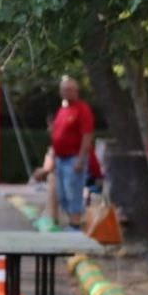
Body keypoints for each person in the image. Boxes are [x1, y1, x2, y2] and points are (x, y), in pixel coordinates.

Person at [50, 75, 96, 230]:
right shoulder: (62, 109)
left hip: (74, 158)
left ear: (76, 91)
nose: (66, 92)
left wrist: (81, 159)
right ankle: (72, 224)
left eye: (69, 89)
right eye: (63, 90)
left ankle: (75, 227)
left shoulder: (82, 109)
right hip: (61, 159)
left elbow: (87, 135)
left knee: (73, 194)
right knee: (63, 196)